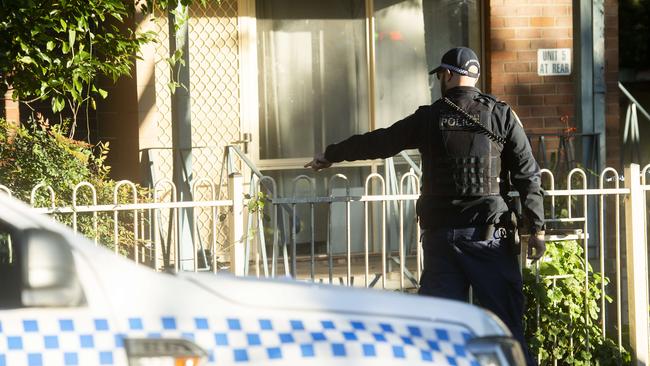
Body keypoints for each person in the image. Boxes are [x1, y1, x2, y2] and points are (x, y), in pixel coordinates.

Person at [305, 47, 545, 365]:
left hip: (441, 240)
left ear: (446, 75)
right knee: (507, 331)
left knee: (437, 334)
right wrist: (538, 228)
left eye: (440, 76)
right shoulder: (501, 114)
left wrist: (332, 153)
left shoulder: (429, 118)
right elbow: (528, 173)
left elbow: (381, 140)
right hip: (490, 238)